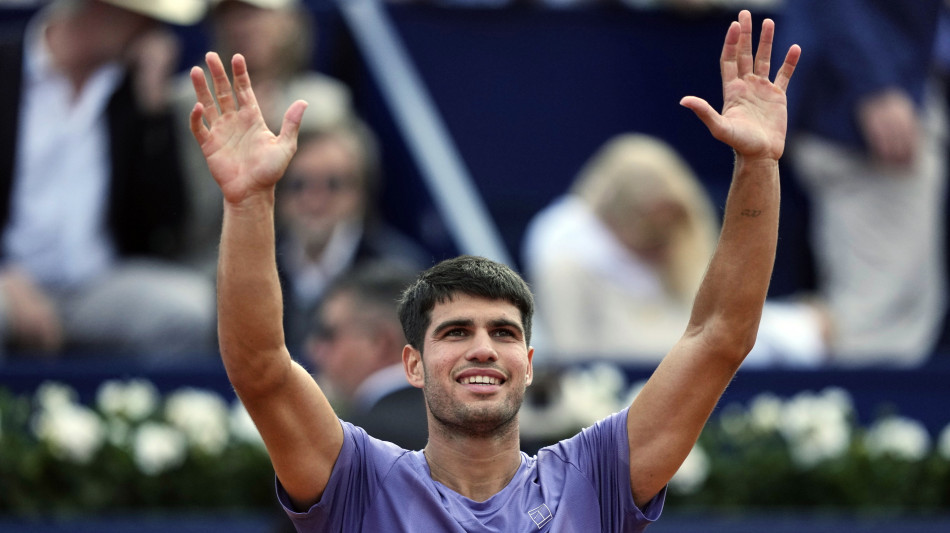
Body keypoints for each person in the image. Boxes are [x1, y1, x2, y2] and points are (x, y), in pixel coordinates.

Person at [188, 8, 798, 530]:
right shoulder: (357, 480)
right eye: (456, 332)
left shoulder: (596, 479)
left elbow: (720, 334)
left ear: (529, 365)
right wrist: (248, 202)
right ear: (411, 363)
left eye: (503, 333)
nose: (483, 348)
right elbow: (261, 366)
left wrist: (758, 164)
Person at [0, 0, 214, 358]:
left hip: (96, 285)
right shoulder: (6, 66)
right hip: (8, 282)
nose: (153, 32)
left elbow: (166, 224)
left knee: (190, 309)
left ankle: (130, 410)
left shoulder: (135, 90)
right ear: (98, 10)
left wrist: (154, 110)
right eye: (143, 18)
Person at [522, 133, 829, 366]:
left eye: (669, 233)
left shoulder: (674, 246)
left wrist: (795, 327)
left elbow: (700, 316)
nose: (664, 248)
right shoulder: (567, 267)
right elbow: (586, 370)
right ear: (616, 219)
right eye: (651, 236)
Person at [777, 0, 948, 366]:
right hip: (863, 120)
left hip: (884, 96)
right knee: (880, 320)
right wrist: (875, 83)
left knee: (900, 308)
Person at [172, 0, 354, 274]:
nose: (242, 26)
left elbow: (347, 204)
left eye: (254, 14)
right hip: (210, 262)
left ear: (289, 22)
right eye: (229, 16)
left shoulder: (326, 103)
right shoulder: (183, 101)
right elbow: (180, 215)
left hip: (305, 262)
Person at [276, 120, 431, 358]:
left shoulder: (398, 273)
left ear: (361, 192)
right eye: (299, 185)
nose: (314, 200)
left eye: (333, 184)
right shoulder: (256, 264)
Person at [306, 261, 427, 450]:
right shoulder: (467, 425)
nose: (314, 350)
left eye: (328, 334)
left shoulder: (352, 443)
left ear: (382, 343)